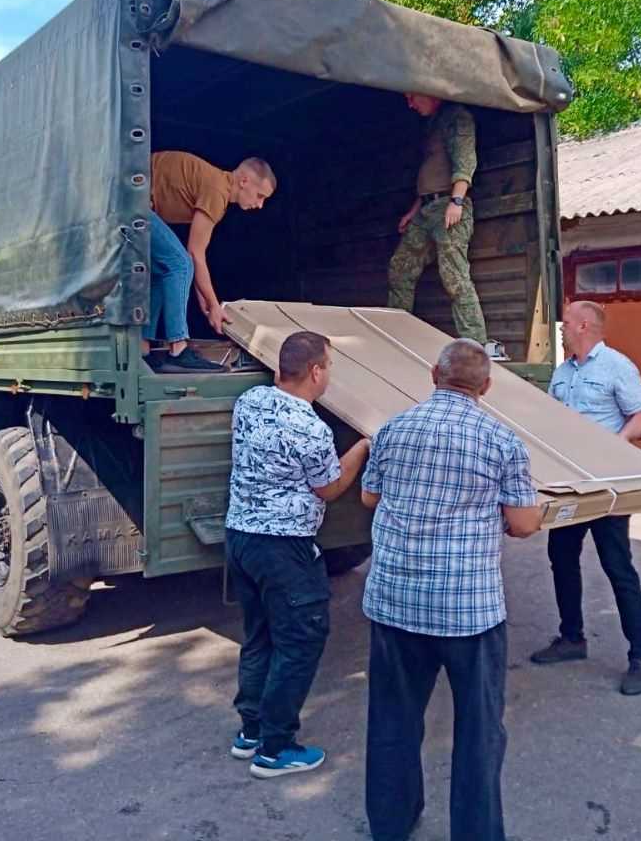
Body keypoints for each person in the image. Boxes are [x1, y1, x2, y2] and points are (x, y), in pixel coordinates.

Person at [360, 339, 542, 841]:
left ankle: (391, 825)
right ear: (486, 386)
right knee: (479, 733)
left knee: (393, 722)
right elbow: (524, 523)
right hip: (468, 612)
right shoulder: (501, 440)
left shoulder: (392, 429)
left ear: (433, 375)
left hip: (395, 602)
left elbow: (370, 497)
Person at [224, 331, 370, 778]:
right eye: (330, 366)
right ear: (316, 372)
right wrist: (363, 447)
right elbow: (329, 487)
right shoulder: (310, 429)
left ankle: (250, 731)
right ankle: (276, 748)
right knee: (301, 639)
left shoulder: (249, 402)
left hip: (242, 538)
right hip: (284, 549)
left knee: (260, 635)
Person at [530, 301, 641, 696]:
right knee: (562, 558)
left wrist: (617, 444)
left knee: (618, 567)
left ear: (584, 326)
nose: (561, 329)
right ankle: (572, 638)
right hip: (568, 484)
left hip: (605, 484)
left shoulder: (618, 366)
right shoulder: (563, 372)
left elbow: (640, 416)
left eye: (566, 323)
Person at [145, 150, 276, 373]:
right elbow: (194, 254)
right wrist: (214, 306)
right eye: (260, 196)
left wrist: (204, 300)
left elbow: (195, 259)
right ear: (244, 181)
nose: (260, 205)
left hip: (127, 198)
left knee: (164, 270)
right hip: (131, 199)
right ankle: (178, 347)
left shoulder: (216, 185)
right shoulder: (217, 190)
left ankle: (142, 348)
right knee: (179, 263)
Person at [387, 93, 488, 346]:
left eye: (413, 97)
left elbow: (465, 161)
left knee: (455, 277)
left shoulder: (457, 117)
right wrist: (414, 210)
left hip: (448, 205)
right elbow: (431, 175)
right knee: (400, 268)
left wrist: (456, 202)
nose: (410, 104)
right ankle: (396, 335)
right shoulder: (433, 124)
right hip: (427, 207)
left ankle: (475, 343)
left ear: (429, 93)